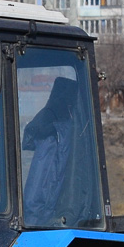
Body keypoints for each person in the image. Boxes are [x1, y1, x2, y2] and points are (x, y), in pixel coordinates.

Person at [21, 76, 78, 227]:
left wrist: (35, 221)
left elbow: (36, 197)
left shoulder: (54, 133)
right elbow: (41, 189)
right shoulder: (57, 133)